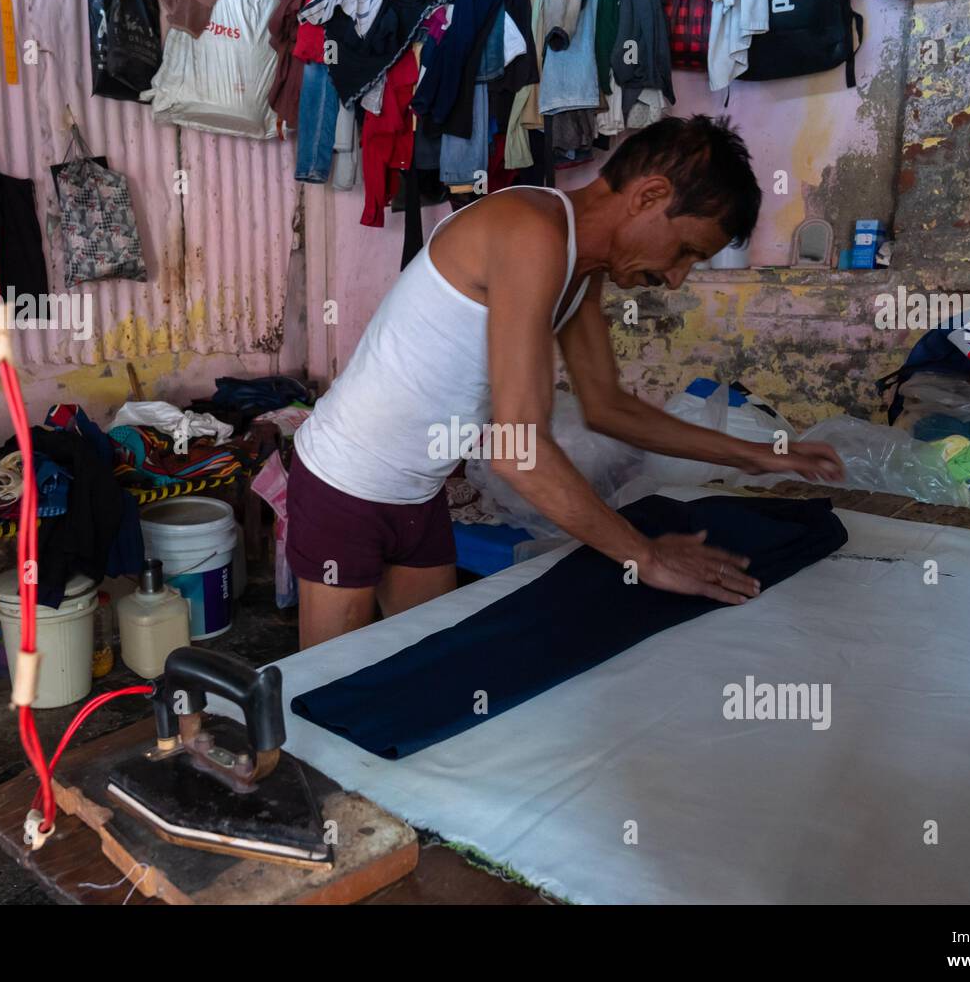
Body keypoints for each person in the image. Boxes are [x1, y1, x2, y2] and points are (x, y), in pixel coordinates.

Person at [288, 115, 845, 648]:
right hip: (346, 485)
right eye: (685, 252)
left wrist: (756, 455)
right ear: (649, 197)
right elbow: (518, 451)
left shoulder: (579, 267)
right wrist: (644, 557)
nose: (675, 279)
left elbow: (608, 408)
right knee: (326, 687)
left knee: (422, 664)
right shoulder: (530, 232)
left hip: (420, 493)